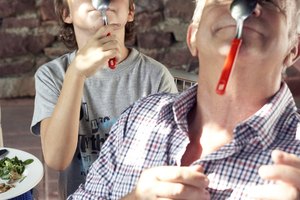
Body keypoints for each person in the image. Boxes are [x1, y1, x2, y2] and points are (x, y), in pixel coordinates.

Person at [68, 0, 300, 199]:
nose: (245, 5)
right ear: (193, 38)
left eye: (269, 0)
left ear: (293, 50)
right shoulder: (137, 119)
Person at [30, 0, 178, 198]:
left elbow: (169, 161)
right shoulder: (51, 76)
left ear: (130, 11)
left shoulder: (156, 77)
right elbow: (57, 160)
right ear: (67, 13)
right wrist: (76, 73)